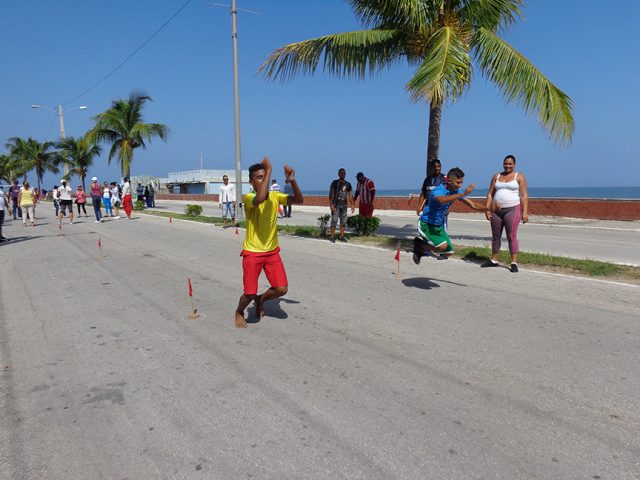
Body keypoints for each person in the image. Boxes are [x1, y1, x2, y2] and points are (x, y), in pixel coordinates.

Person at [235, 157, 303, 328]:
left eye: (264, 176)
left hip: (272, 252)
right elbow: (260, 199)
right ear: (251, 182)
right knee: (249, 293)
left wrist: (292, 180)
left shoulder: (275, 197)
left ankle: (261, 299)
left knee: (281, 289)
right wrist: (270, 171)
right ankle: (239, 311)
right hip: (252, 253)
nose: (263, 179)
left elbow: (298, 200)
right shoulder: (249, 197)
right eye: (259, 177)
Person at [413, 167, 487, 264]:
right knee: (442, 247)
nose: (460, 186)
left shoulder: (457, 191)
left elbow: (472, 205)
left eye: (461, 183)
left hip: (438, 225)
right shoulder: (438, 190)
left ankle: (422, 247)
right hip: (426, 224)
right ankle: (420, 246)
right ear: (448, 180)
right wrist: (463, 193)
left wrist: (489, 209)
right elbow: (442, 200)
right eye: (458, 183)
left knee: (448, 252)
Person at [483, 154, 529, 273]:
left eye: (510, 164)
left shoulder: (519, 177)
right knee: (496, 236)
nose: (507, 166)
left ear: (514, 165)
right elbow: (490, 194)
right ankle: (494, 260)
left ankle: (513, 262)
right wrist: (487, 209)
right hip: (496, 211)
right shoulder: (496, 176)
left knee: (511, 236)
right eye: (505, 163)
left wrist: (525, 212)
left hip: (512, 209)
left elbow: (524, 195)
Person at [328, 168, 354, 243]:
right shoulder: (334, 183)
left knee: (343, 222)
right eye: (341, 173)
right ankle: (332, 236)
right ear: (338, 174)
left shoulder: (348, 184)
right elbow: (331, 195)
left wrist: (352, 205)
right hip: (335, 205)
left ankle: (342, 236)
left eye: (344, 173)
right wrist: (331, 205)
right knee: (334, 221)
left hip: (344, 206)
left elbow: (350, 195)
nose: (343, 174)